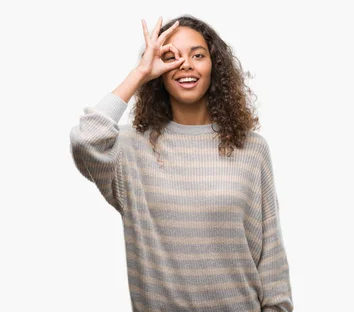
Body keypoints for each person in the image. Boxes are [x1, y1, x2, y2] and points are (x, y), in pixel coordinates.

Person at [69, 14, 293, 312]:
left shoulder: (251, 149)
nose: (185, 64)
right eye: (171, 57)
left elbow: (271, 257)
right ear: (158, 73)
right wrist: (139, 73)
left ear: (215, 66)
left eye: (197, 55)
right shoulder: (131, 150)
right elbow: (86, 139)